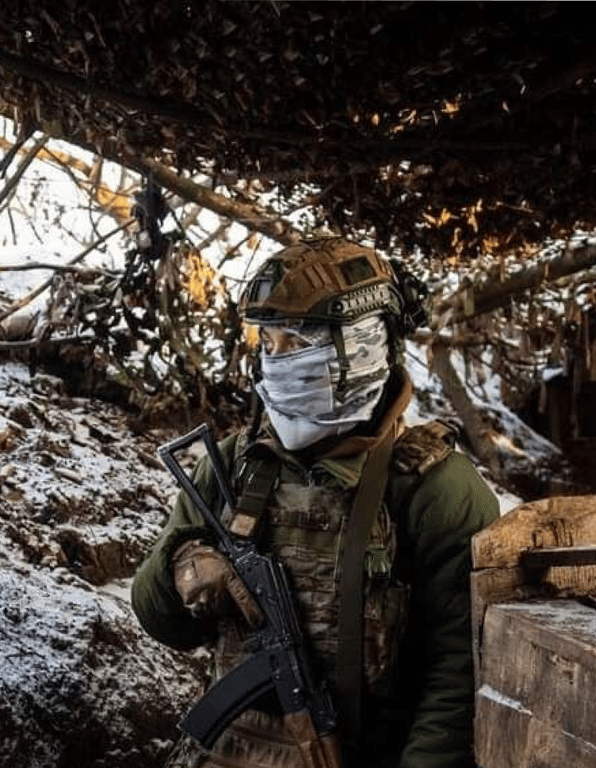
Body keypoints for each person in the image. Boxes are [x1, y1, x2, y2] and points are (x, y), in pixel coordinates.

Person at [131, 237, 500, 768]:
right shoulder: (234, 463)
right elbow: (162, 623)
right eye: (269, 342)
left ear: (364, 343)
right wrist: (181, 569)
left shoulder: (436, 488)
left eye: (297, 342)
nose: (277, 360)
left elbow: (459, 673)